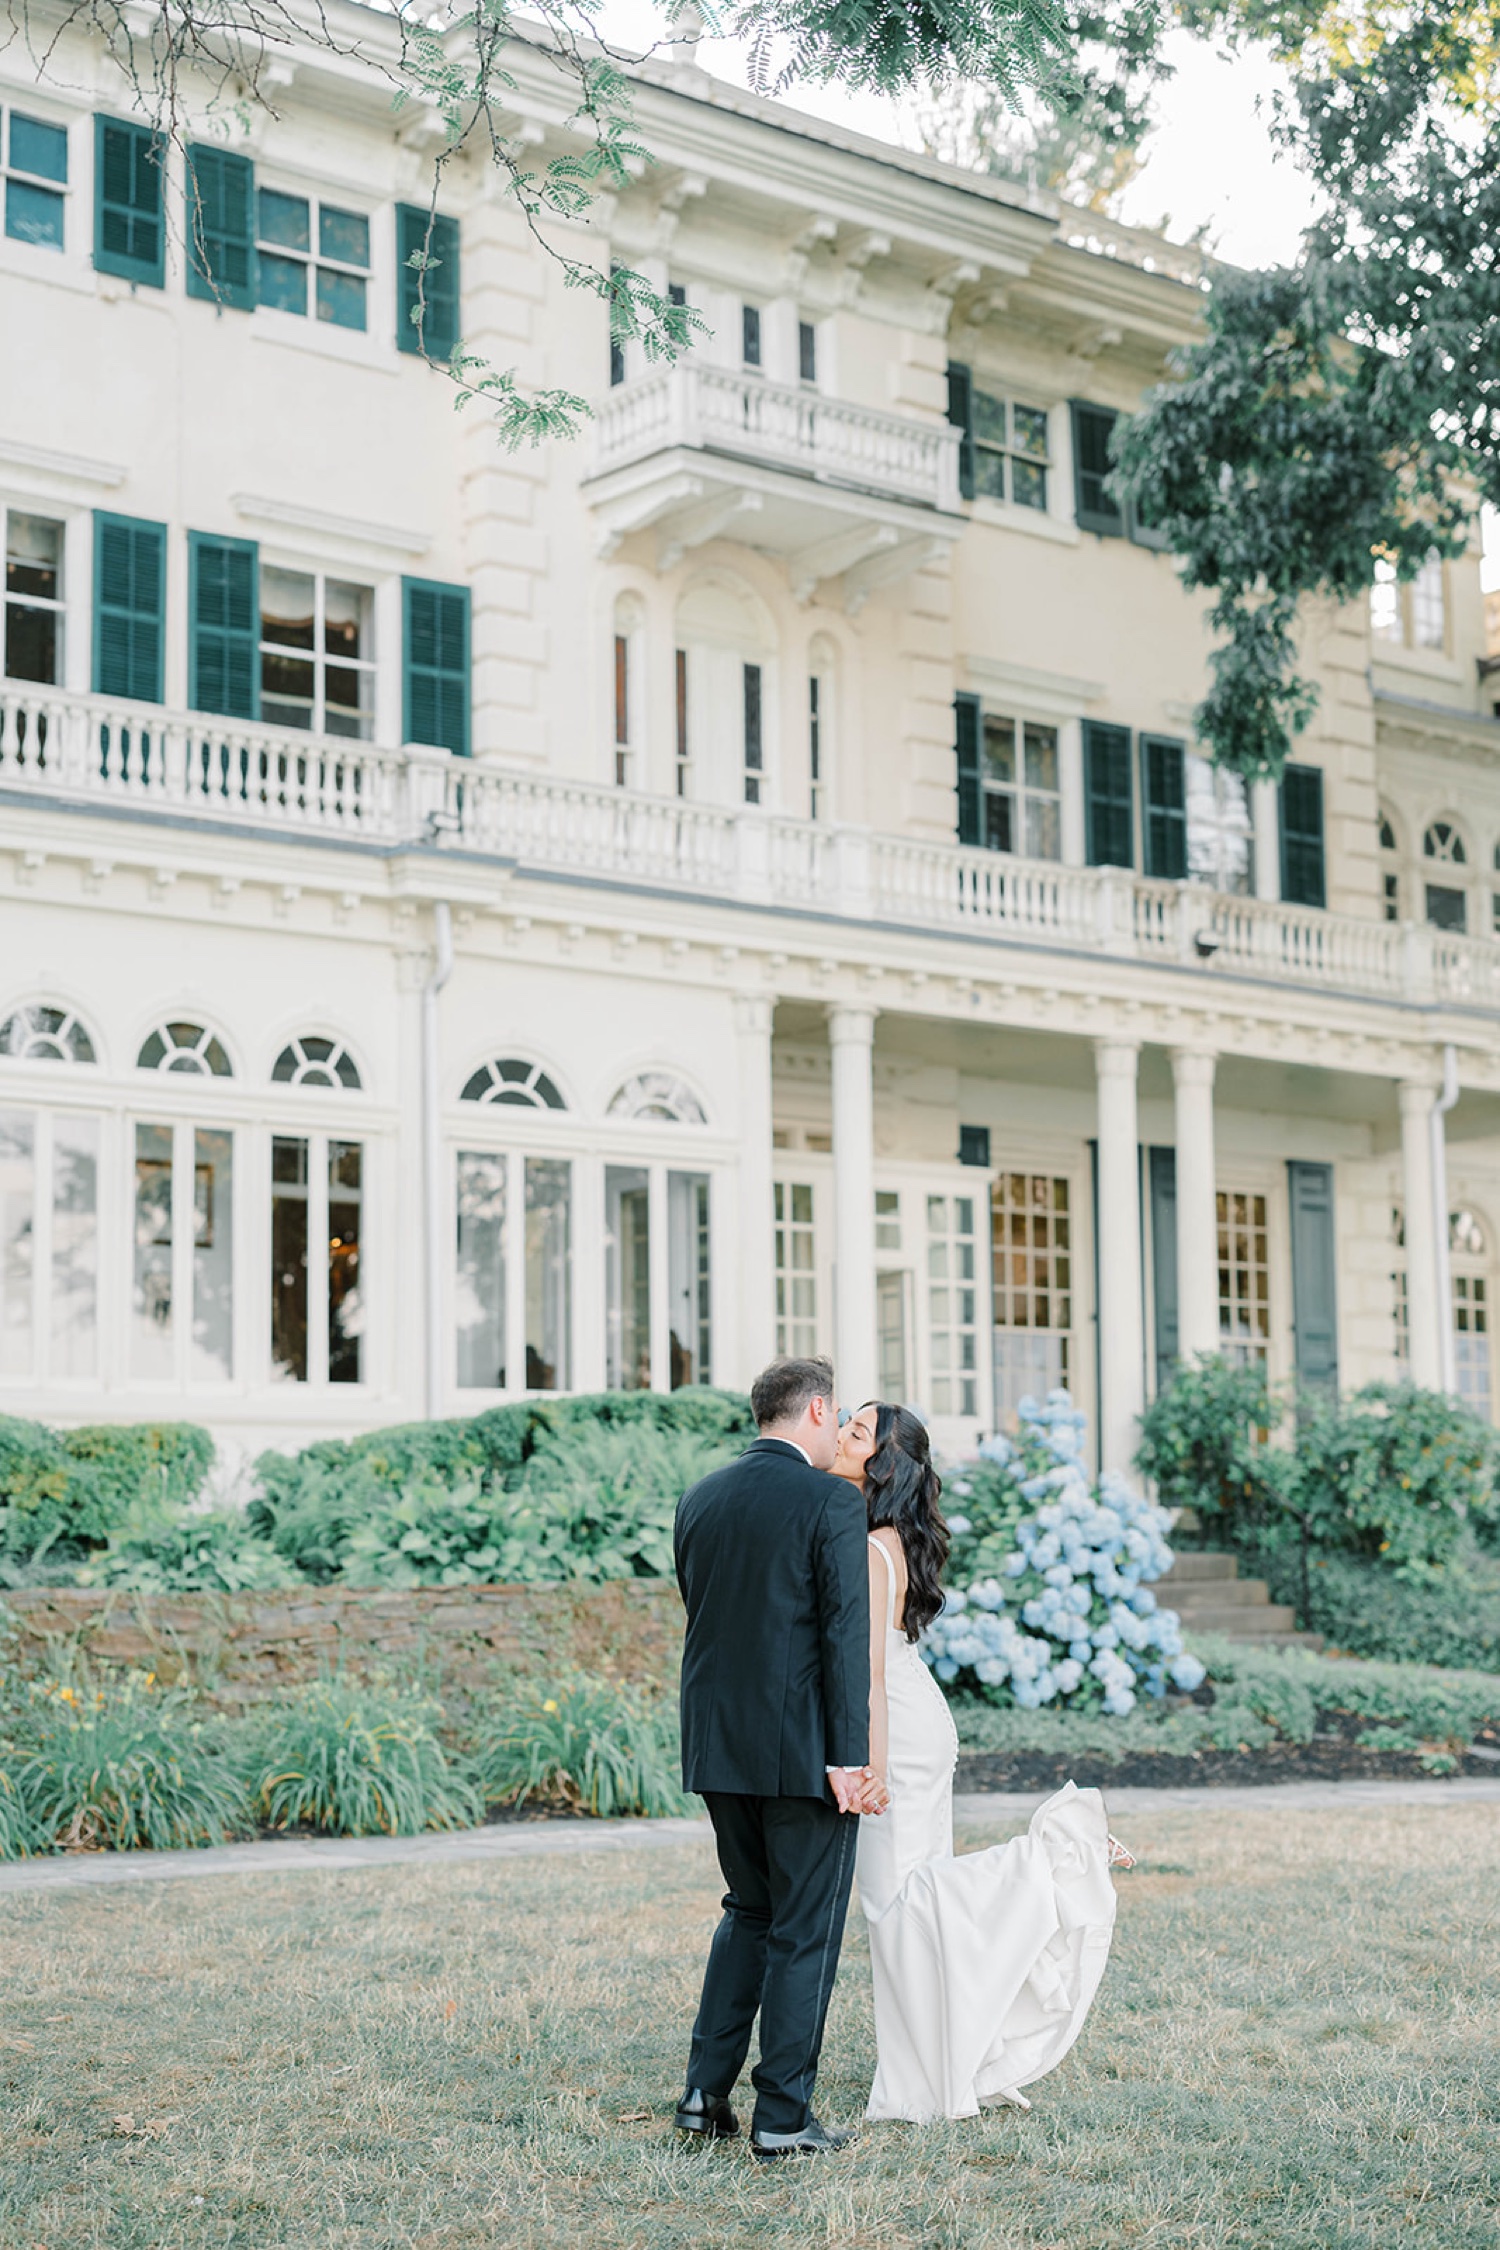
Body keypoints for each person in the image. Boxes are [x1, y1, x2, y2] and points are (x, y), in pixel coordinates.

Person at [832, 1401, 1128, 2123]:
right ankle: (938, 2072)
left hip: (895, 1731)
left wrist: (867, 1764)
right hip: (916, 1720)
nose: (840, 1433)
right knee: (913, 1902)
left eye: (856, 1430)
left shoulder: (873, 1549)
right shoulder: (888, 1538)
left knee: (899, 1906)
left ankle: (1057, 1854)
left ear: (882, 1463)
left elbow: (866, 1670)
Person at [673, 1356, 887, 2162]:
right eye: (837, 1421)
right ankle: (783, 2116)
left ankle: (703, 2096)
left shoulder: (701, 1497)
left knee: (749, 1912)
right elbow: (842, 1633)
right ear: (818, 1411)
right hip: (804, 1755)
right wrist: (848, 1757)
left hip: (718, 1747)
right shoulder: (830, 1498)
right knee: (804, 1929)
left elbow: (711, 1617)